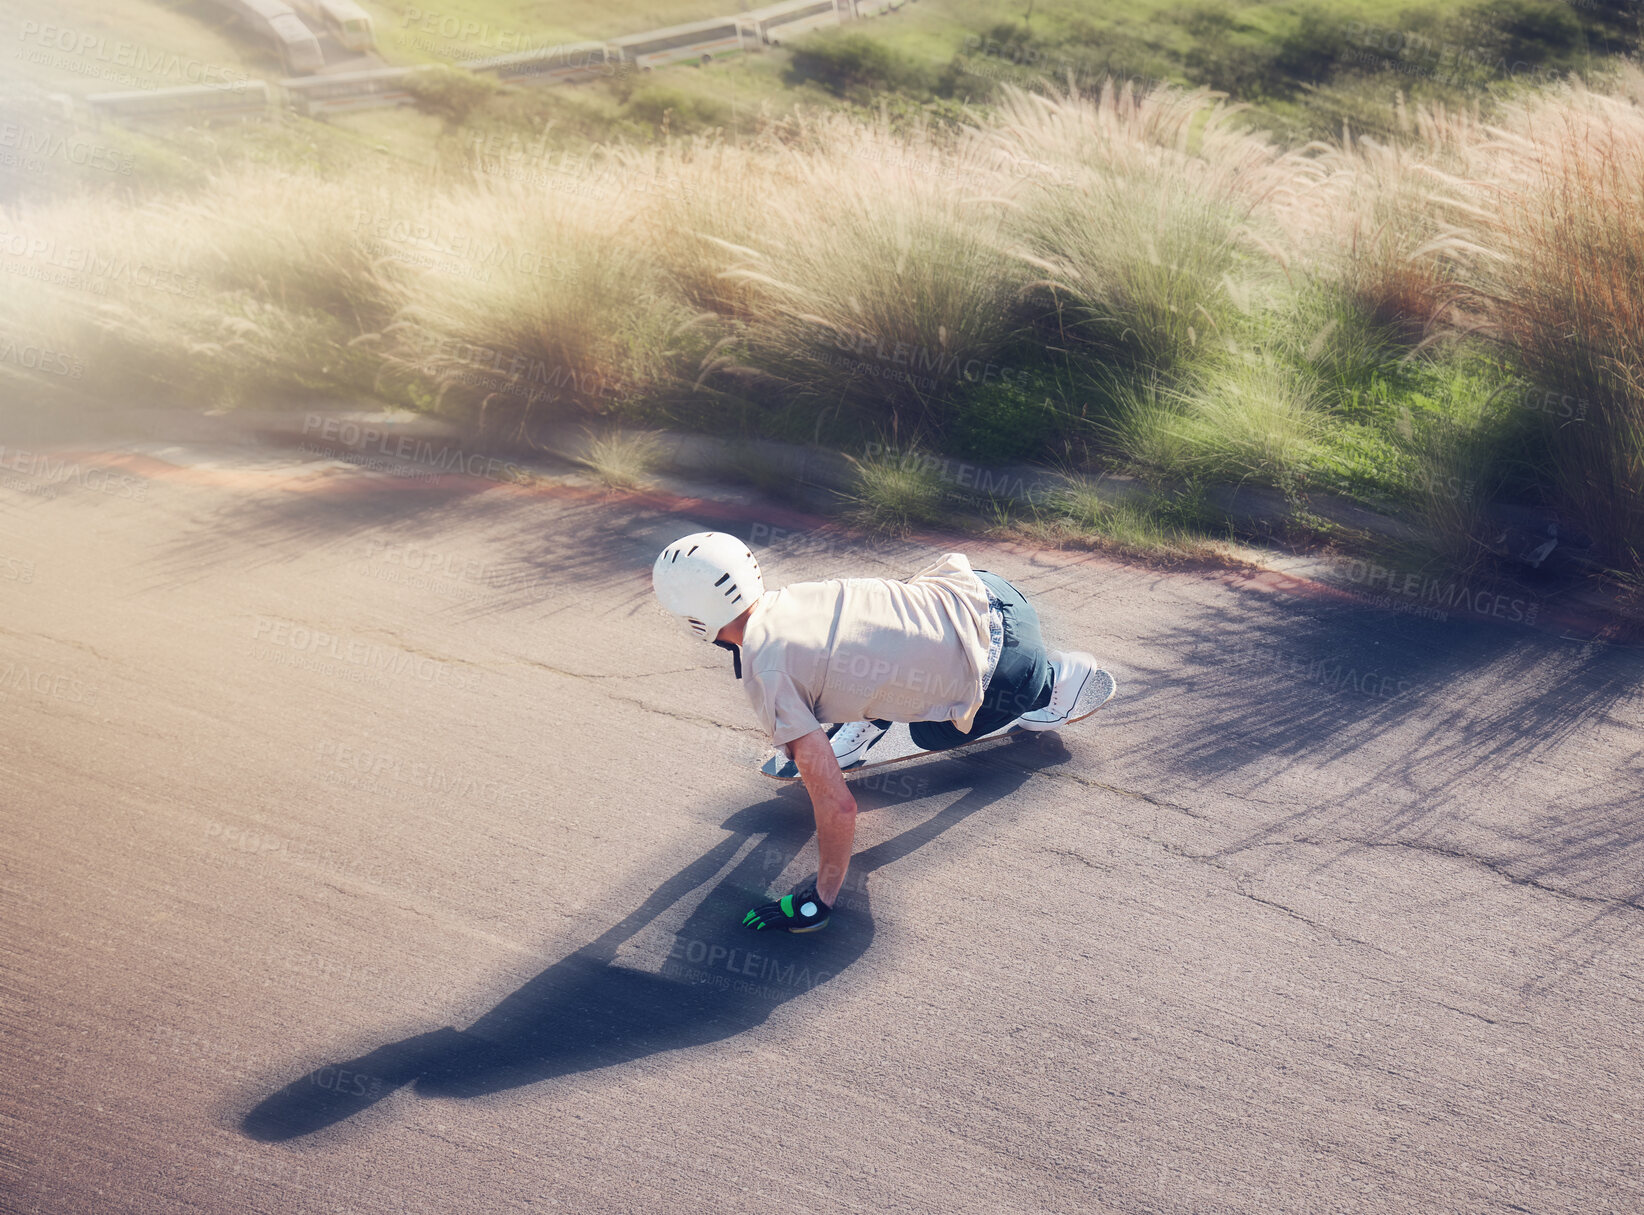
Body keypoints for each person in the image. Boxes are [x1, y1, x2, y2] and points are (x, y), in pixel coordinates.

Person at [652, 531, 1097, 934]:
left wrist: (821, 898)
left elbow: (840, 807)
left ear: (696, 617)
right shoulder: (796, 598)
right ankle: (868, 719)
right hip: (987, 590)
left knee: (930, 735)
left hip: (1008, 671)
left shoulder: (768, 675)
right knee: (872, 645)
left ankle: (1055, 685)